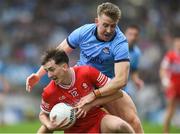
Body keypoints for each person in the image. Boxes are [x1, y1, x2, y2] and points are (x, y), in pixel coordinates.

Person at [26, 2, 143, 133]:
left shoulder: (120, 43)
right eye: (105, 25)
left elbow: (121, 81)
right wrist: (38, 74)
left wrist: (94, 95)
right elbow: (58, 54)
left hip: (105, 85)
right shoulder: (84, 31)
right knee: (54, 120)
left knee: (133, 121)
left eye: (113, 26)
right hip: (82, 79)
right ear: (97, 21)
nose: (109, 30)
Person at [37, 49, 134, 133]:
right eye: (47, 71)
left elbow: (118, 93)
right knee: (44, 129)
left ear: (65, 67)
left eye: (52, 69)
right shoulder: (49, 92)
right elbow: (43, 114)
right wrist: (49, 125)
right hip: (73, 129)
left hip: (97, 119)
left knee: (122, 126)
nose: (49, 75)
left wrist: (91, 104)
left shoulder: (87, 72)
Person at [159, 35, 180, 133]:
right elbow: (163, 69)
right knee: (170, 109)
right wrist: (165, 81)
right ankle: (165, 132)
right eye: (177, 42)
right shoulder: (170, 55)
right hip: (173, 85)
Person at [124, 24, 144, 97]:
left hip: (122, 88)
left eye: (135, 35)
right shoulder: (115, 47)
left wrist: (137, 80)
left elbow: (133, 70)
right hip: (106, 83)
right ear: (125, 34)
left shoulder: (137, 53)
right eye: (130, 34)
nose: (132, 37)